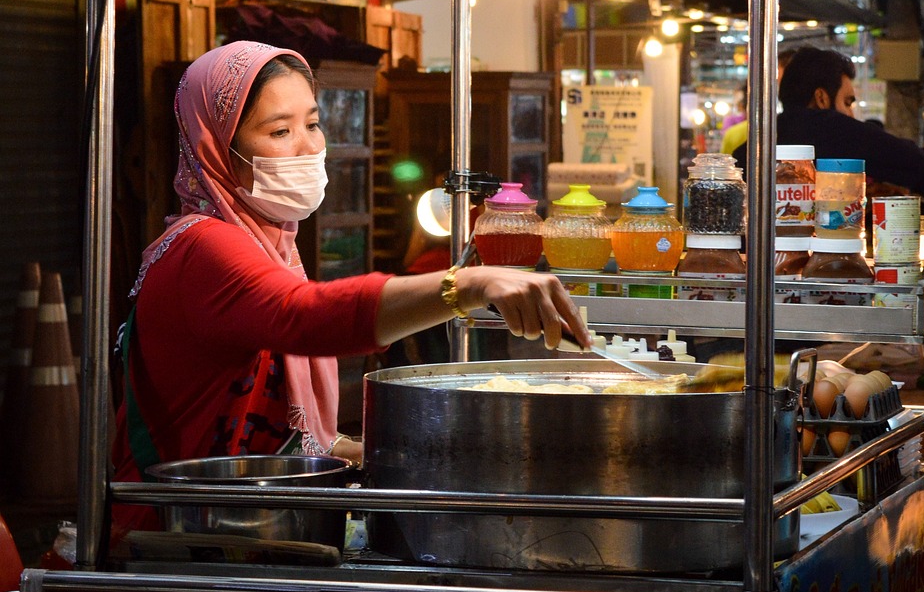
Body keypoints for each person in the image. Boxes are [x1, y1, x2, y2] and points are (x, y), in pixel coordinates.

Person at [111, 41, 588, 535]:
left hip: (247, 527)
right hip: (174, 540)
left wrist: (379, 454)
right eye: (280, 130)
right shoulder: (204, 248)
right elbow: (303, 315)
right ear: (216, 148)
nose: (310, 146)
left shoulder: (271, 245)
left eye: (312, 123)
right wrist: (467, 284)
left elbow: (286, 432)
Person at [734, 46, 924, 201]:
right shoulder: (831, 128)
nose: (851, 115)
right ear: (821, 98)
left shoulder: (756, 144)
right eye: (847, 102)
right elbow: (920, 166)